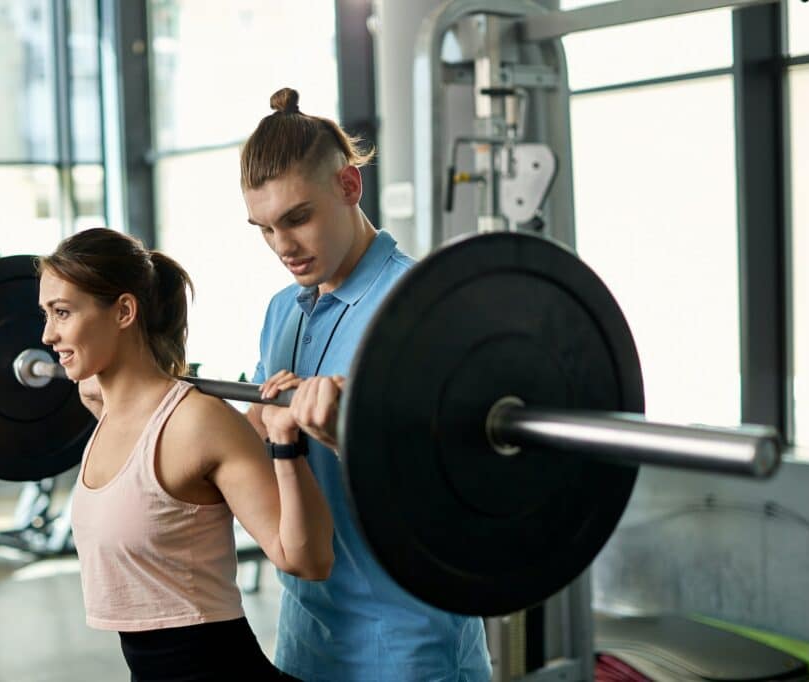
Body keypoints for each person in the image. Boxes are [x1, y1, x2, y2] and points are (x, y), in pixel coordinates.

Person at [240, 87, 493, 681]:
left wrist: (350, 440)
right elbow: (269, 458)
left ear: (349, 186)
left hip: (408, 646)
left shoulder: (424, 305)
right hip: (305, 632)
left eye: (297, 218)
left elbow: (468, 491)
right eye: (265, 228)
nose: (283, 247)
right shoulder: (284, 310)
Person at [38, 227, 333, 681]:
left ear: (123, 311)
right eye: (47, 314)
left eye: (62, 313)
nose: (47, 334)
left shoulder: (201, 423)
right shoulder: (107, 413)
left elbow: (307, 561)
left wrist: (284, 444)